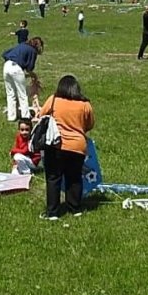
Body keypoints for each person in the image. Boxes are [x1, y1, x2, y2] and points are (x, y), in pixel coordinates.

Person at [37, 75, 95, 219]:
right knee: (74, 177)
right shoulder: (85, 105)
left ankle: (52, 212)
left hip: (56, 145)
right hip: (78, 146)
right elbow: (90, 124)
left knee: (53, 178)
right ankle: (75, 208)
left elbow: (42, 115)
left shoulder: (54, 100)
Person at [2, 37, 43, 122]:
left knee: (10, 93)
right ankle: (25, 116)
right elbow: (29, 68)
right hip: (16, 68)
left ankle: (11, 116)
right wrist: (34, 76)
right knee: (22, 94)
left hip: (7, 65)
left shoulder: (22, 45)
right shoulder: (32, 51)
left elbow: (5, 53)